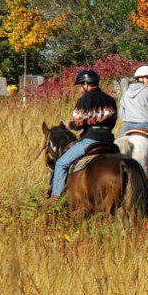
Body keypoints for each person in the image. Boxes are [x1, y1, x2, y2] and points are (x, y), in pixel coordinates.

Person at [47, 69, 117, 202]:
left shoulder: (84, 100)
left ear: (86, 84)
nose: (81, 88)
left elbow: (79, 123)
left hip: (90, 140)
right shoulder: (110, 99)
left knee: (61, 164)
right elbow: (113, 121)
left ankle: (55, 197)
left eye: (81, 85)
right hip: (109, 141)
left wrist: (70, 125)